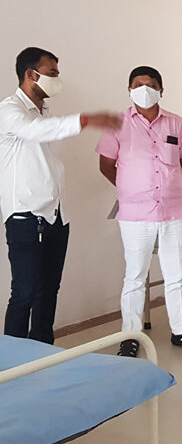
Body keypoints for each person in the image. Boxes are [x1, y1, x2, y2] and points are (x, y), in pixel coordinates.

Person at [0, 47, 120, 344]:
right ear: (31, 75)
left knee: (48, 291)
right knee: (24, 292)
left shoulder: (45, 113)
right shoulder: (9, 110)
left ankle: (43, 352)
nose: (57, 79)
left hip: (55, 215)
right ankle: (12, 361)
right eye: (52, 73)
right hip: (25, 216)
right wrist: (85, 120)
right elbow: (35, 131)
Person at [96, 66, 182, 357]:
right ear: (129, 90)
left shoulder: (176, 123)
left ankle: (181, 332)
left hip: (173, 211)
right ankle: (131, 337)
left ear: (161, 90)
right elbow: (106, 164)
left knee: (176, 276)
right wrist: (130, 187)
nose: (145, 89)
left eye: (151, 85)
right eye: (138, 85)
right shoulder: (117, 124)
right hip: (135, 214)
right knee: (135, 277)